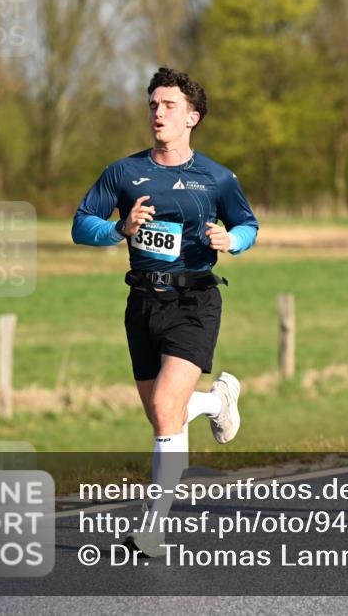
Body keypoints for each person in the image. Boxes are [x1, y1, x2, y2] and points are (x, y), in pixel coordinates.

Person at [72, 67, 259, 555]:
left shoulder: (217, 177)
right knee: (163, 417)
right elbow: (81, 224)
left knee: (164, 407)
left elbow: (248, 224)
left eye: (169, 105)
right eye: (154, 104)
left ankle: (152, 529)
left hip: (194, 300)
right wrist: (120, 229)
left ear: (192, 117)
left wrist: (231, 240)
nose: (158, 113)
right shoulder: (123, 172)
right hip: (142, 304)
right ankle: (216, 401)